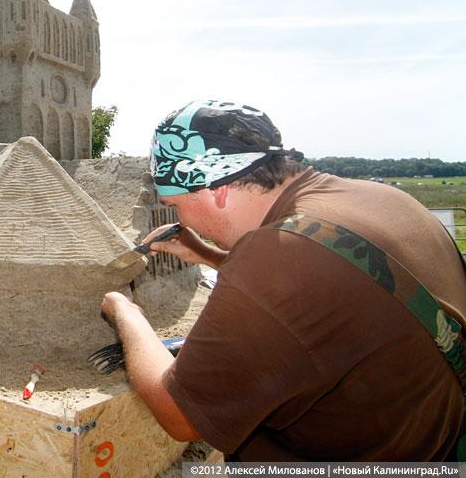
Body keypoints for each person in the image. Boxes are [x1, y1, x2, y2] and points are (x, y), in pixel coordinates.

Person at [100, 100, 466, 461]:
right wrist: (207, 255)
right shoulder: (381, 197)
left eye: (176, 205)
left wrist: (126, 311)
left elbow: (178, 414)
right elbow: (320, 289)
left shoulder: (279, 257)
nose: (181, 219)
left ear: (216, 190)